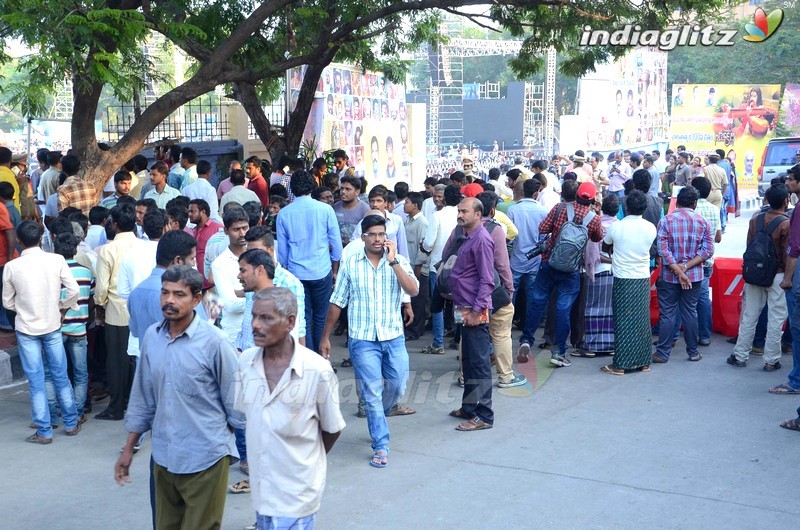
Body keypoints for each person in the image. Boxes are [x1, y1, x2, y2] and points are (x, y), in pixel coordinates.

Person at [115, 266, 243, 529]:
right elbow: (143, 397)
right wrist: (128, 449)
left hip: (206, 460)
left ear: (196, 299)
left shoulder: (215, 343)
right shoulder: (152, 337)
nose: (169, 301)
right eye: (165, 293)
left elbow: (238, 404)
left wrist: (218, 439)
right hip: (164, 457)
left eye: (179, 294)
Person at [235, 287, 345, 528]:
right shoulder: (246, 363)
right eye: (254, 316)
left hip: (298, 494)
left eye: (266, 318)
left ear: (290, 322)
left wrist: (303, 462)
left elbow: (332, 429)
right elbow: (251, 419)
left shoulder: (317, 370)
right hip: (263, 492)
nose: (255, 325)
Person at [320, 214, 418, 467]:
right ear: (362, 237)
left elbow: (413, 290)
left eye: (381, 234)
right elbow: (336, 302)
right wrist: (325, 337)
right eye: (372, 234)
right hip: (363, 339)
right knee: (372, 393)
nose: (377, 239)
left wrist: (394, 261)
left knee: (397, 386)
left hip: (393, 335)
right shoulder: (351, 264)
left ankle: (380, 414)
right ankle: (381, 443)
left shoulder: (398, 261)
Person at [3, 221, 80, 443]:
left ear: (18, 241)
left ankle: (44, 430)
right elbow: (74, 290)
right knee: (61, 376)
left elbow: (7, 302)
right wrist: (62, 307)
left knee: (36, 381)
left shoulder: (12, 266)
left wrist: (25, 308)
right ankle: (71, 423)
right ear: (42, 239)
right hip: (52, 324)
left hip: (27, 328)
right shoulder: (56, 260)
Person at [517, 181, 603, 367]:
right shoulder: (593, 219)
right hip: (571, 271)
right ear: (593, 199)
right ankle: (558, 352)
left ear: (576, 194)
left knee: (537, 302)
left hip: (548, 264)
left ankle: (526, 340)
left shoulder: (559, 208)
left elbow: (542, 229)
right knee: (563, 310)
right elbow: (597, 238)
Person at [277, 170, 343, 353]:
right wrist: (334, 264)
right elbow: (336, 245)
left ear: (292, 188)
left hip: (296, 272)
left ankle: (309, 357)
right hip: (321, 269)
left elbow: (282, 252)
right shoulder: (325, 209)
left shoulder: (284, 214)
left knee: (302, 317)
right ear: (312, 186)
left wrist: (287, 268)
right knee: (321, 316)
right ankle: (322, 355)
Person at [446, 198, 496, 430]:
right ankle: (469, 407)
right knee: (467, 360)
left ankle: (484, 415)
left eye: (464, 211)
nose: (460, 214)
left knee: (479, 363)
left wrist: (477, 311)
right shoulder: (468, 236)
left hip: (474, 310)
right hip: (464, 308)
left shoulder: (482, 240)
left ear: (478, 215)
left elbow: (487, 280)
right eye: (459, 210)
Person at [728, 184, 790, 371]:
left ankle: (740, 356)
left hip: (754, 274)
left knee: (749, 316)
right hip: (778, 276)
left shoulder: (755, 219)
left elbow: (749, 246)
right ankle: (771, 360)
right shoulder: (786, 223)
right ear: (786, 201)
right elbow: (788, 255)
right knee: (776, 319)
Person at [652, 186, 714, 363]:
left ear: (677, 201)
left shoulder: (666, 221)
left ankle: (663, 353)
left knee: (668, 313)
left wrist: (678, 270)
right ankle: (693, 352)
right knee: (690, 312)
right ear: (695, 203)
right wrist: (686, 268)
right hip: (693, 276)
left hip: (669, 276)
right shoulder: (703, 222)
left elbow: (663, 250)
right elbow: (708, 250)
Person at [94, 203, 143, 421]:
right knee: (134, 359)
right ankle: (131, 402)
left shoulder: (108, 250)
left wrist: (99, 305)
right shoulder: (142, 246)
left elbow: (102, 288)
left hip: (115, 309)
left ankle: (116, 406)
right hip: (138, 309)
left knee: (116, 361)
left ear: (114, 225)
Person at [600, 191, 657, 375]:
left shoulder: (617, 227)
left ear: (626, 207)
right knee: (641, 320)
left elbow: (605, 245)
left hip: (623, 277)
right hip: (642, 277)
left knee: (623, 321)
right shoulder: (650, 227)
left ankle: (621, 364)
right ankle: (643, 361)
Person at [421, 184, 460, 355]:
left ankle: (438, 343)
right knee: (460, 304)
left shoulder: (437, 216)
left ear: (444, 198)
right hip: (460, 265)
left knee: (438, 306)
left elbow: (429, 243)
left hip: (438, 266)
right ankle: (459, 340)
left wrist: (424, 246)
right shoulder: (463, 213)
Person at [582, 195, 618, 355]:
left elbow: (593, 253)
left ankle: (591, 345)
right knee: (611, 309)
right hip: (615, 272)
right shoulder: (620, 226)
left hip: (596, 271)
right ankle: (610, 344)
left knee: (593, 307)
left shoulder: (597, 223)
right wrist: (613, 261)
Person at [211, 207, 250, 344]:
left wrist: (242, 293)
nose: (242, 233)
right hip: (234, 333)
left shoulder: (259, 254)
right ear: (226, 231)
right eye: (236, 229)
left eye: (245, 228)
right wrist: (259, 293)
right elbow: (231, 305)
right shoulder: (220, 264)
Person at [403, 192, 430, 341]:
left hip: (417, 267)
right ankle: (410, 327)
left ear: (415, 205)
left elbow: (423, 246)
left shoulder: (422, 223)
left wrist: (418, 265)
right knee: (410, 299)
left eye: (407, 202)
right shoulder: (407, 220)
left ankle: (416, 330)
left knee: (418, 300)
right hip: (408, 266)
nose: (405, 204)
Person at [189, 199, 224, 289]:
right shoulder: (192, 230)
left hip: (213, 283)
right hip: (196, 282)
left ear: (203, 212)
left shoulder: (217, 228)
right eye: (189, 211)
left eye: (192, 211)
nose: (189, 214)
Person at [332, 175, 370, 247]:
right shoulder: (335, 207)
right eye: (342, 188)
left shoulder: (365, 209)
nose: (343, 192)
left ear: (357, 192)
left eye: (348, 189)